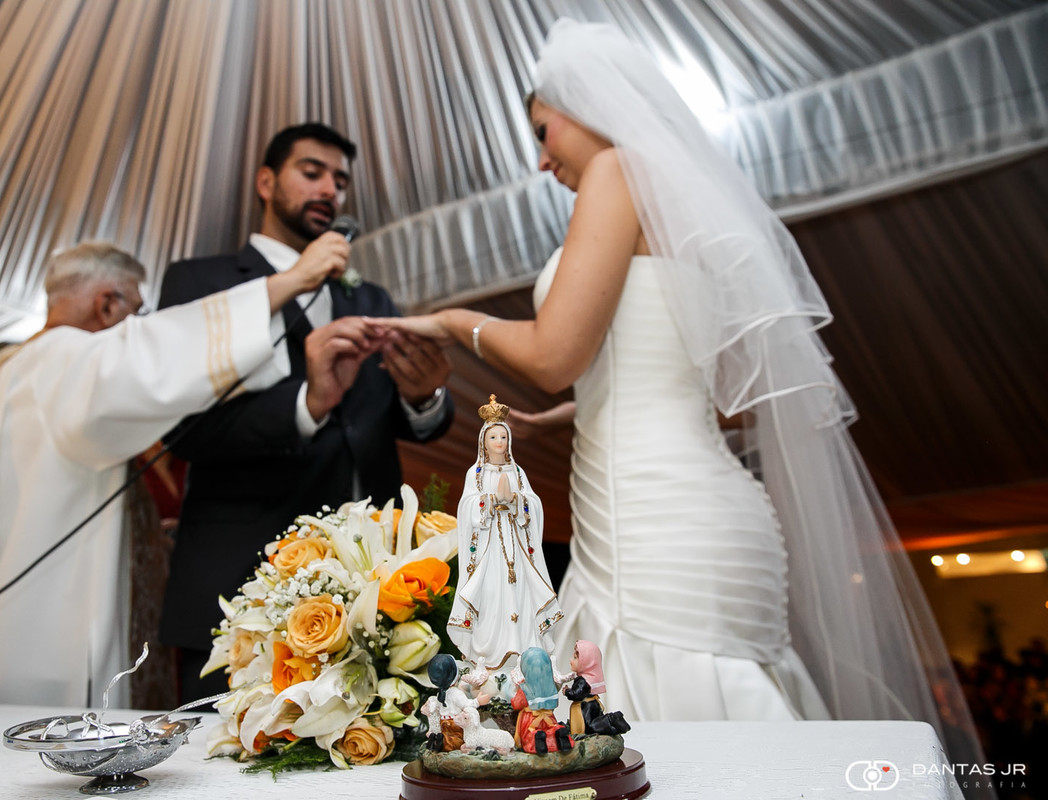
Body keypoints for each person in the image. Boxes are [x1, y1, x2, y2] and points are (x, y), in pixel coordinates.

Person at [381, 17, 983, 760]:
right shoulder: (668, 197)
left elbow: (554, 352)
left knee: (654, 743)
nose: (542, 160)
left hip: (655, 528)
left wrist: (451, 319)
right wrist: (577, 410)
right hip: (698, 506)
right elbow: (684, 373)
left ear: (584, 105)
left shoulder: (618, 170)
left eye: (544, 131)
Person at [0, 242, 381, 707]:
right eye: (137, 311)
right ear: (107, 304)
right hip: (53, 614)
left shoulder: (17, 365)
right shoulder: (67, 358)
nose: (138, 323)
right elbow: (162, 357)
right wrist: (290, 282)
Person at [155, 123, 454, 703]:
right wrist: (307, 403)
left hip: (371, 597)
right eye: (311, 172)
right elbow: (182, 430)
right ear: (267, 182)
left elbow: (398, 419)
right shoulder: (201, 283)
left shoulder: (370, 300)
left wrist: (425, 398)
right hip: (240, 583)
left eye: (339, 182)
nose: (329, 191)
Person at [448, 395, 562, 672]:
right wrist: (487, 501)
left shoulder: (518, 472)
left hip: (516, 548)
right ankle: (488, 659)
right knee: (490, 597)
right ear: (483, 442)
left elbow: (534, 505)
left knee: (520, 594)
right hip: (489, 551)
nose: (499, 442)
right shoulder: (474, 474)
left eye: (503, 436)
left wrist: (516, 502)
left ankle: (523, 653)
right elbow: (465, 508)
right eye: (494, 437)